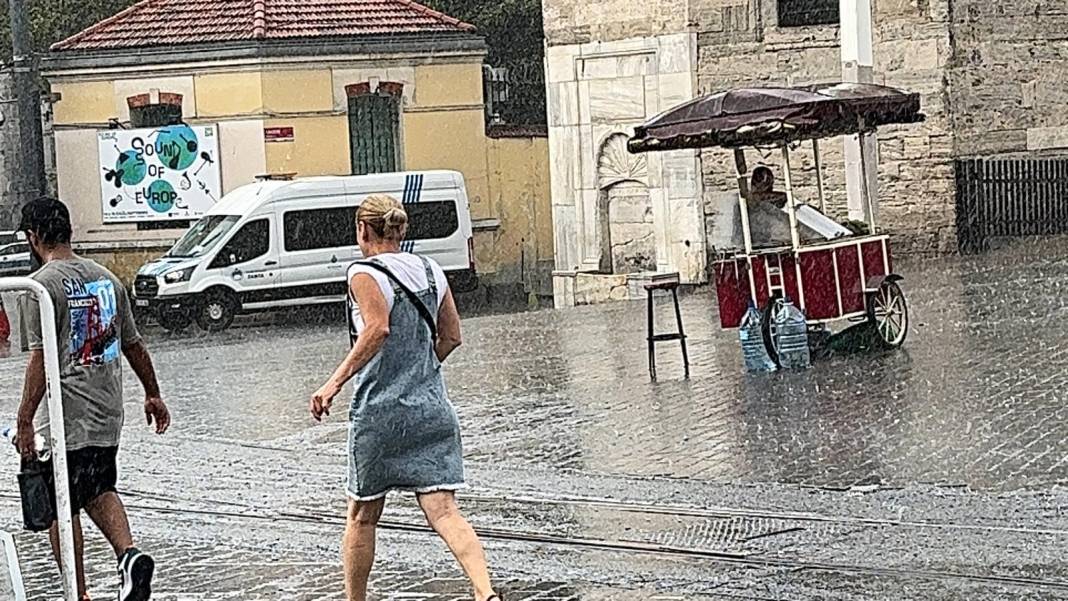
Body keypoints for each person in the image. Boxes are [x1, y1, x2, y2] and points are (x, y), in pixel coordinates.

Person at [309, 194, 500, 601]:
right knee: (445, 511)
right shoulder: (432, 270)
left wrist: (333, 383)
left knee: (362, 515)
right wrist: (420, 369)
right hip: (431, 408)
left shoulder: (363, 273)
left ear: (363, 230)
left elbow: (376, 330)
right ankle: (485, 593)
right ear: (400, 230)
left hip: (380, 411)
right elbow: (452, 336)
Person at [13, 197, 170, 601]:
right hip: (106, 410)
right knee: (99, 487)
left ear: (33, 237)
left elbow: (40, 358)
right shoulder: (107, 279)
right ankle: (129, 557)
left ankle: (77, 591)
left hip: (66, 418)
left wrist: (26, 419)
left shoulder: (40, 287)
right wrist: (152, 394)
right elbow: (134, 345)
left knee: (60, 504)